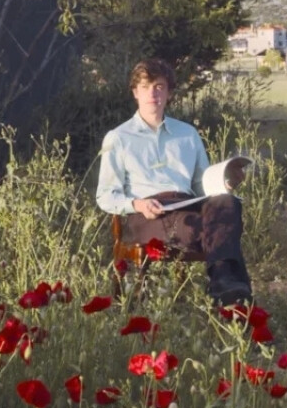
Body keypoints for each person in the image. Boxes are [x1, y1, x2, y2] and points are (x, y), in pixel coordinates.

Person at [96, 58, 254, 305]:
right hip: (147, 214)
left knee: (228, 203)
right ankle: (230, 293)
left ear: (169, 93)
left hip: (186, 204)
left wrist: (225, 184)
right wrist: (138, 205)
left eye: (159, 87)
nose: (152, 93)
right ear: (135, 92)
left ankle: (226, 286)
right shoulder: (118, 138)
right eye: (145, 87)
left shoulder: (187, 134)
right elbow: (105, 195)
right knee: (215, 230)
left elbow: (202, 186)